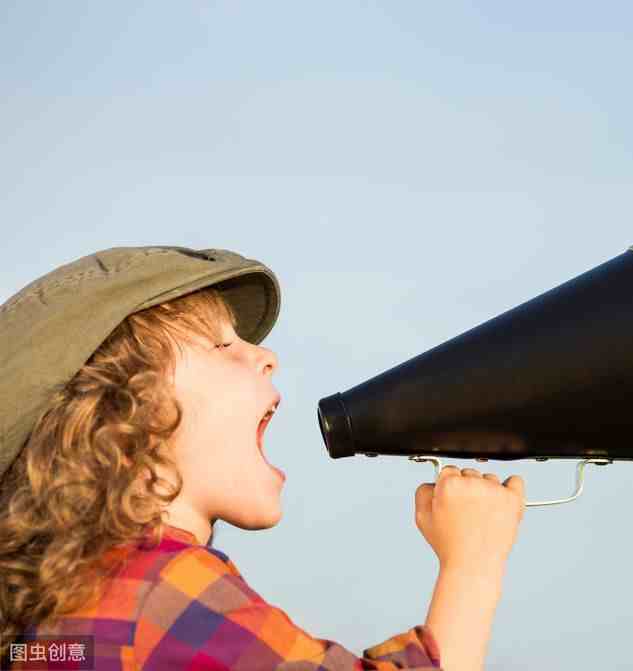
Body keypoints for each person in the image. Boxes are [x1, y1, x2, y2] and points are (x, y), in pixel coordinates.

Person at [0, 245, 525, 670]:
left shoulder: (52, 625)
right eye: (221, 347)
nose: (265, 355)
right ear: (121, 410)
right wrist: (473, 563)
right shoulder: (158, 595)